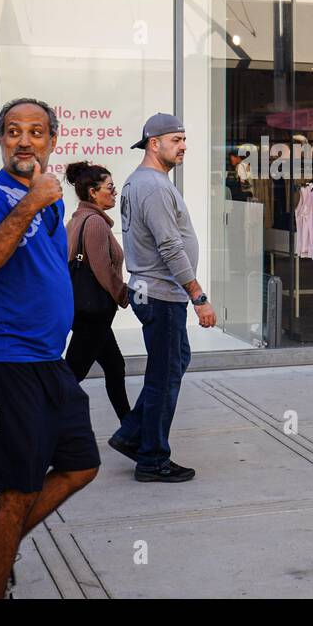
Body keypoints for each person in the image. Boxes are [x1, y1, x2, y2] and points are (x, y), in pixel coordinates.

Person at [0, 98, 100, 599]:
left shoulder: (53, 197)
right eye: (14, 131)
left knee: (82, 463)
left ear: (51, 141)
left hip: (48, 361)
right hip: (6, 363)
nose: (24, 140)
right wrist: (32, 201)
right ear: (1, 139)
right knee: (15, 492)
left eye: (36, 132)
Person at [108, 113, 216, 483]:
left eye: (185, 139)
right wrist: (198, 295)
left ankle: (131, 435)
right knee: (164, 376)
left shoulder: (142, 182)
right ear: (154, 143)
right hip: (160, 292)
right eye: (177, 139)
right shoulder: (153, 186)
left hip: (152, 289)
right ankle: (152, 458)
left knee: (171, 363)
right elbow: (169, 246)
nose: (184, 145)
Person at [64, 161, 131, 421]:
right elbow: (103, 269)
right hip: (92, 314)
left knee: (115, 367)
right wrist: (125, 295)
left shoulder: (78, 219)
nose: (114, 193)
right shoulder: (94, 223)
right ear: (93, 192)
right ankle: (40, 435)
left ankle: (129, 433)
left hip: (90, 313)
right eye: (110, 188)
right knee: (69, 378)